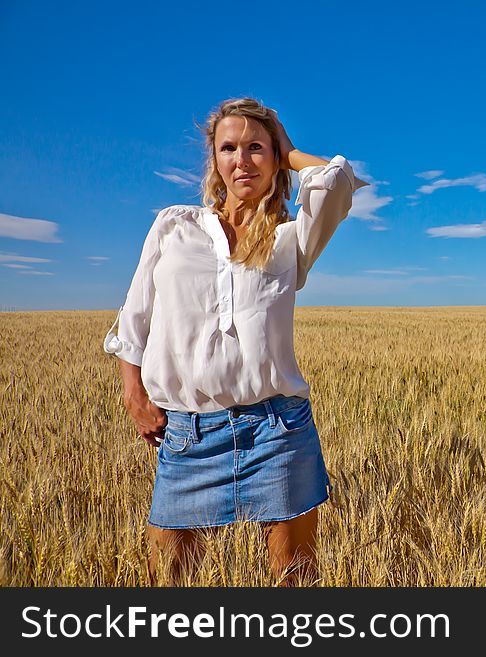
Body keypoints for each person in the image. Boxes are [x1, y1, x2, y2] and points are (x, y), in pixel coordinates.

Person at [103, 97, 369, 586]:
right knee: (171, 586)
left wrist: (288, 151)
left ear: (275, 158)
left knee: (295, 584)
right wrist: (133, 394)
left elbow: (336, 181)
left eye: (256, 148)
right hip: (188, 436)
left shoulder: (291, 239)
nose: (242, 160)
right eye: (229, 148)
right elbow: (134, 317)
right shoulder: (174, 226)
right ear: (215, 160)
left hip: (278, 430)